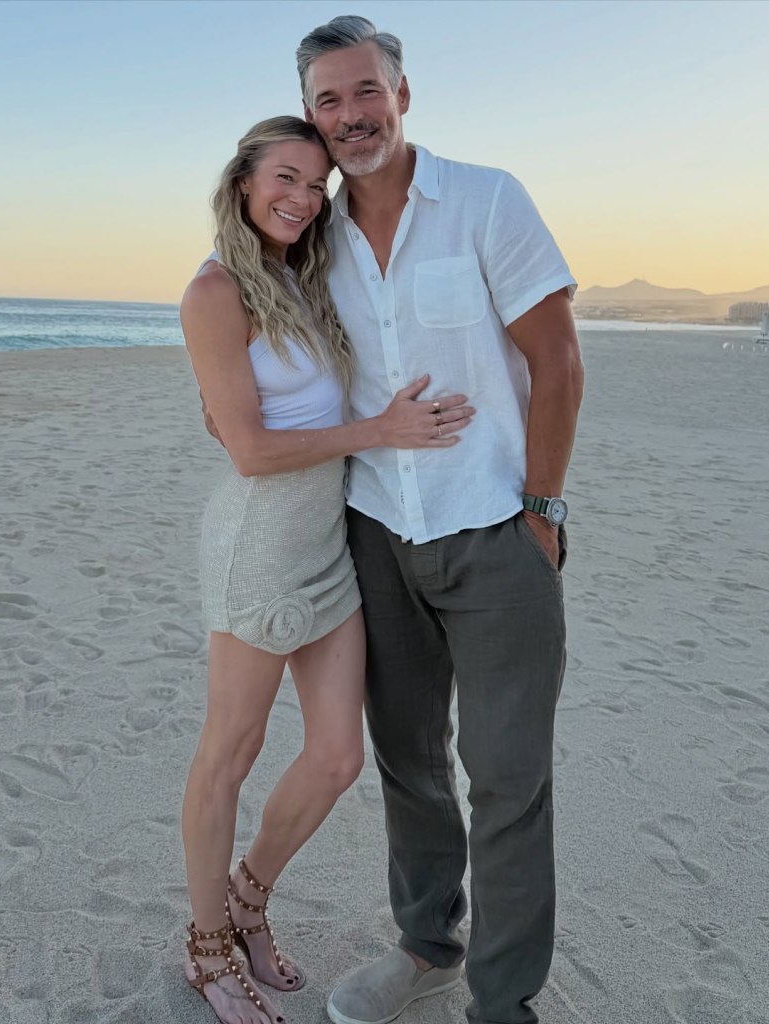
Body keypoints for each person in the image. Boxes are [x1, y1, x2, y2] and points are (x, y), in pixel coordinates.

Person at [293, 17, 585, 1024]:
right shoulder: (314, 237)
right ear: (311, 117)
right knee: (408, 762)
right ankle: (428, 944)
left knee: (507, 778)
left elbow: (558, 363)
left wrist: (540, 515)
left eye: (364, 91)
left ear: (402, 94)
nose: (349, 115)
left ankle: (501, 1003)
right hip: (375, 532)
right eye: (327, 101)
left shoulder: (485, 199)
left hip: (497, 531)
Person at [178, 115, 474, 1024]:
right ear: (242, 182)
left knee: (339, 755)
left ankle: (248, 895)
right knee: (230, 754)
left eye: (316, 185)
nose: (303, 199)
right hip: (259, 546)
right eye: (286, 178)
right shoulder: (216, 291)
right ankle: (205, 949)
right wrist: (379, 431)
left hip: (328, 546)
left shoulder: (301, 279)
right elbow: (253, 452)